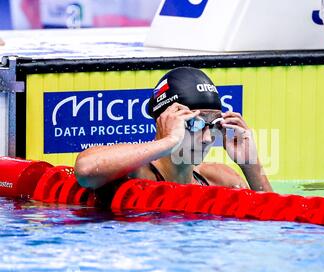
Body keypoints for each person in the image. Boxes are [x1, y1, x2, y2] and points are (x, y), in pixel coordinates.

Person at [74, 67, 272, 195]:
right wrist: (168, 141)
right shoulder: (134, 175)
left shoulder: (221, 180)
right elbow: (85, 170)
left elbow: (274, 221)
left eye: (213, 125)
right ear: (165, 121)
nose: (207, 138)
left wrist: (250, 165)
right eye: (194, 124)